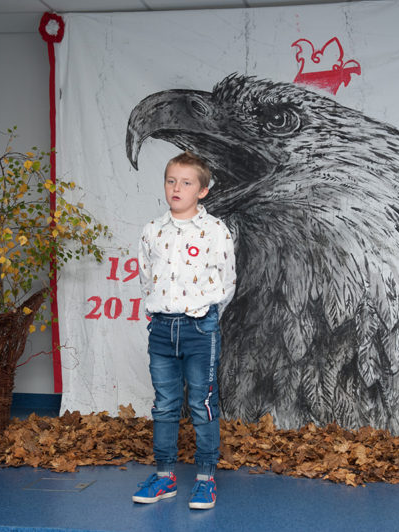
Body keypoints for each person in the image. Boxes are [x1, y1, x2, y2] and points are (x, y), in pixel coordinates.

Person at [132, 151, 236, 510]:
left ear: (202, 191)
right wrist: (161, 309)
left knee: (201, 403)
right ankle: (165, 477)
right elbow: (146, 276)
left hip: (199, 329)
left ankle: (206, 478)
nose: (177, 188)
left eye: (186, 183)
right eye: (171, 181)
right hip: (162, 329)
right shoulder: (152, 230)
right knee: (165, 404)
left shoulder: (215, 231)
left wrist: (202, 312)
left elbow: (227, 281)